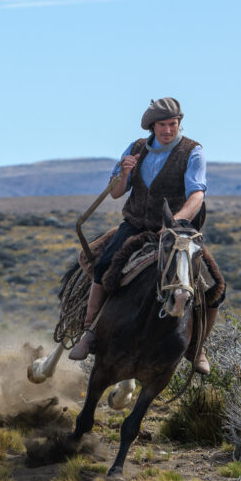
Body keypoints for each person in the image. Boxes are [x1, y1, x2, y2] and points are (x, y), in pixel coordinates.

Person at [68, 97, 218, 374]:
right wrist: (124, 174)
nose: (168, 130)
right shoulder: (136, 149)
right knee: (104, 265)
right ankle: (90, 332)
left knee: (207, 282)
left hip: (177, 229)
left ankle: (197, 347)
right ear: (152, 126)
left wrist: (177, 220)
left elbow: (197, 194)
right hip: (136, 223)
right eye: (162, 125)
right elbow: (115, 192)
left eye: (173, 124)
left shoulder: (193, 152)